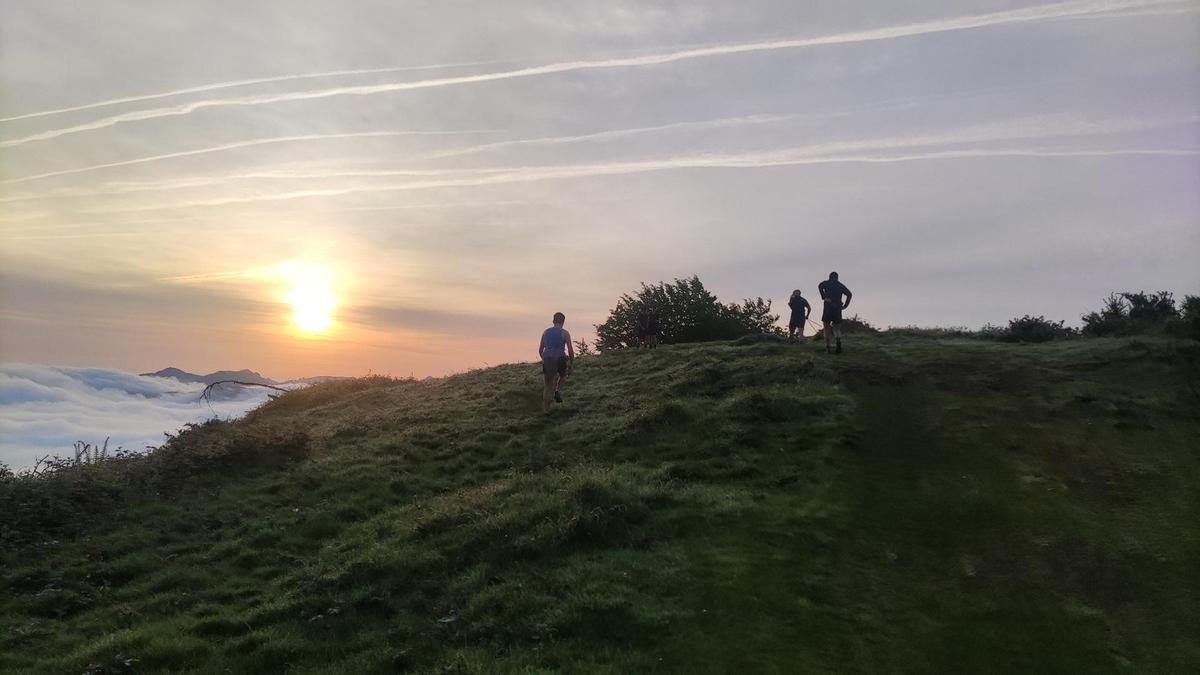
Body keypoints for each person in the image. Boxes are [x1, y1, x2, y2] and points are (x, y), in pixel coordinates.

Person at [538, 312, 575, 412]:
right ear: (563, 322)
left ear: (553, 321)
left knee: (547, 384)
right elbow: (570, 350)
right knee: (563, 375)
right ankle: (557, 391)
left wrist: (544, 359)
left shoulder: (545, 332)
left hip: (547, 357)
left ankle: (546, 410)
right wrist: (571, 363)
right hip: (560, 357)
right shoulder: (565, 333)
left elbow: (540, 350)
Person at [817, 272, 852, 354]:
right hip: (837, 307)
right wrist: (845, 306)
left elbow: (819, 286)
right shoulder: (840, 285)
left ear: (829, 277)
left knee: (826, 327)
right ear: (837, 277)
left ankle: (828, 347)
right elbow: (849, 294)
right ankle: (838, 341)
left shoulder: (826, 283)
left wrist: (823, 296)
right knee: (836, 328)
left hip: (828, 307)